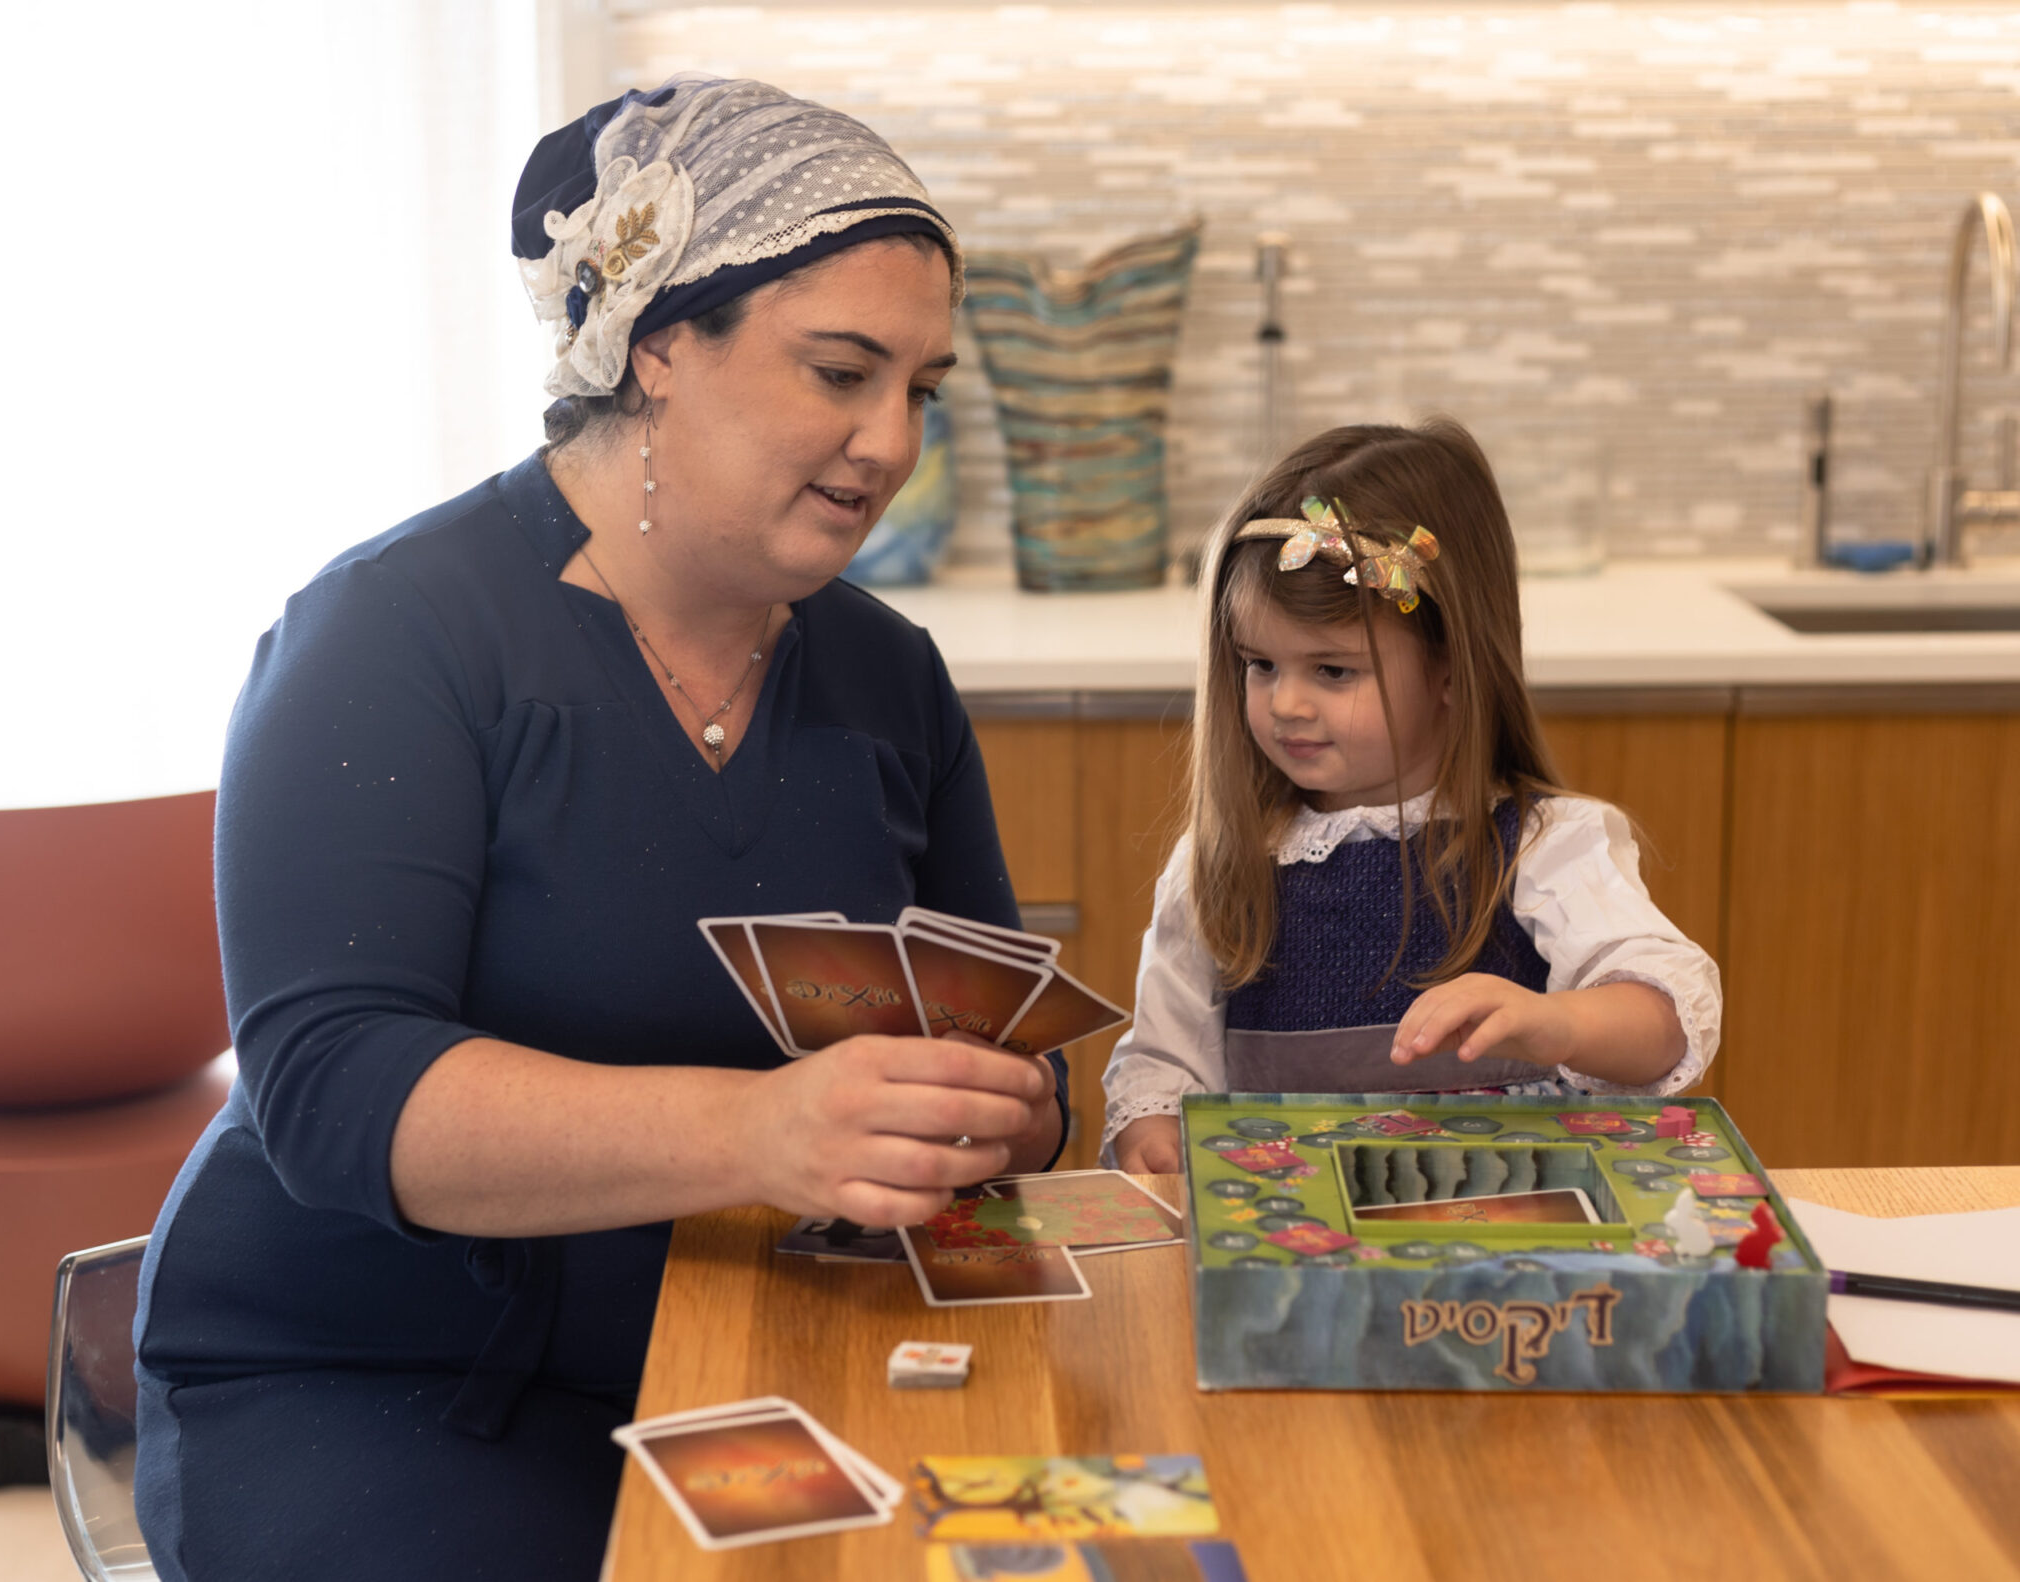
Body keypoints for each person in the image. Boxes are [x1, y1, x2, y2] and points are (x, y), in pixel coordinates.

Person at [133, 75, 1067, 1582]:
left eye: (924, 387)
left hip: (765, 1341)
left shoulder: (891, 677)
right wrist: (765, 1130)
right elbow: (332, 1088)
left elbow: (1008, 1036)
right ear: (657, 348)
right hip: (383, 1381)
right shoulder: (391, 638)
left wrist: (1003, 1110)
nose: (890, 440)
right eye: (840, 371)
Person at [1103, 419, 1719, 1174]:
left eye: (1332, 671)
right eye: (1260, 664)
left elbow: (1664, 1014)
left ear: (1452, 670)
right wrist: (1153, 1133)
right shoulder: (1223, 862)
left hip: (1501, 1241)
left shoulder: (1542, 842)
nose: (1285, 703)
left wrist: (1557, 1022)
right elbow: (1162, 1067)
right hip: (1295, 1253)